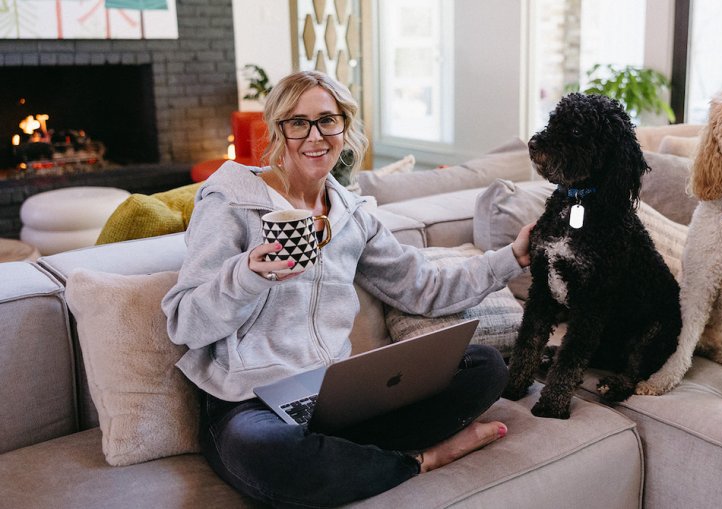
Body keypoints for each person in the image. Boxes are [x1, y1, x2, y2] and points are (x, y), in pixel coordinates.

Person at [161, 70, 532, 508]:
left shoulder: (353, 217)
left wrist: (512, 257)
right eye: (298, 123)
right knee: (267, 452)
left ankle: (343, 457)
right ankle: (418, 460)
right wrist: (246, 275)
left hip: (334, 395)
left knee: (484, 366)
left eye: (327, 120)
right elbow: (185, 323)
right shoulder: (230, 203)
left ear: (344, 127)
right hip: (250, 402)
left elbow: (423, 287)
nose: (314, 136)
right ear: (278, 130)